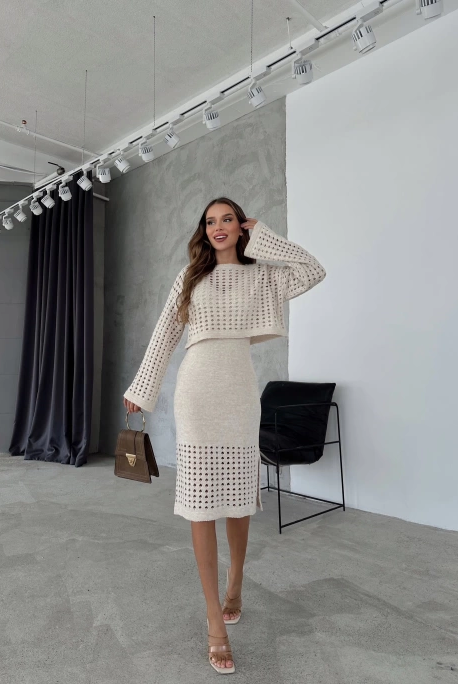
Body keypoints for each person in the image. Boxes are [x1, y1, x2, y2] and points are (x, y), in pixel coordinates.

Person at [123, 197, 326, 674]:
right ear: (204, 230)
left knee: (238, 499)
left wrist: (265, 236)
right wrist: (141, 389)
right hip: (197, 393)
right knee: (200, 503)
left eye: (228, 220)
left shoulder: (262, 277)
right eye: (211, 221)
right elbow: (164, 335)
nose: (218, 227)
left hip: (239, 395)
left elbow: (313, 270)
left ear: (241, 227)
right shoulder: (190, 277)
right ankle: (215, 620)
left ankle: (236, 582)